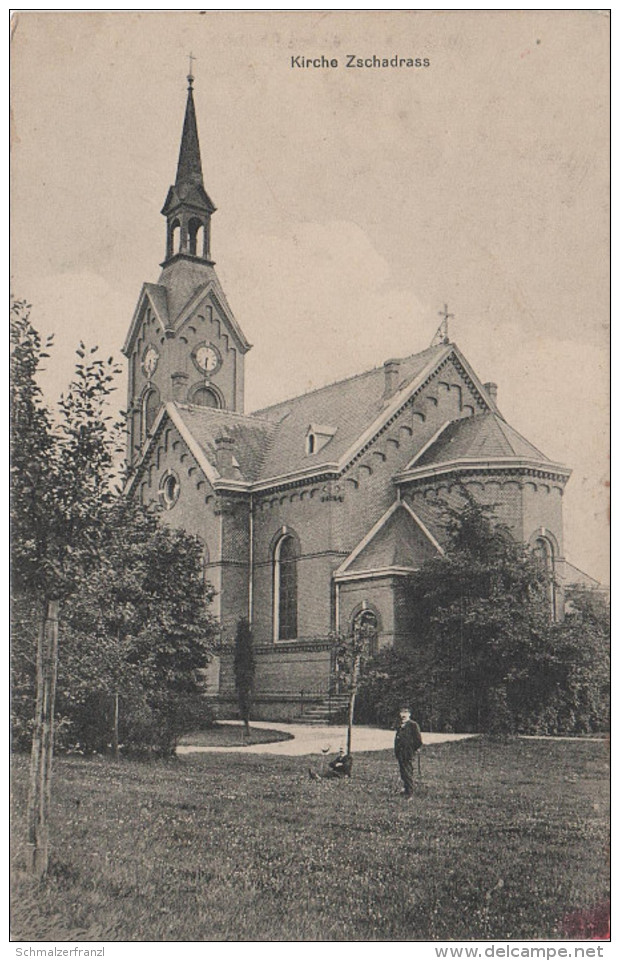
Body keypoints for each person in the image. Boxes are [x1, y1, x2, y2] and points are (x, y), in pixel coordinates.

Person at [394, 706, 422, 798]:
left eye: (406, 712)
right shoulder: (400, 725)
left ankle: (410, 793)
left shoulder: (413, 725)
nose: (403, 715)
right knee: (403, 772)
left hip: (408, 753)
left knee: (407, 772)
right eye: (402, 712)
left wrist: (412, 749)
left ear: (409, 714)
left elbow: (418, 740)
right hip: (400, 753)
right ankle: (406, 790)